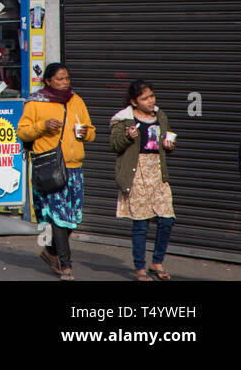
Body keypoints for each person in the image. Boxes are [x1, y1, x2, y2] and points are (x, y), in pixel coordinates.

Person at [19, 62, 95, 280]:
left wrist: (84, 133)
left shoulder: (76, 100)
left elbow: (91, 132)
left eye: (67, 79)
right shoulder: (35, 102)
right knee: (59, 217)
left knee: (73, 217)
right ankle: (66, 264)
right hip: (50, 166)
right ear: (48, 81)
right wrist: (43, 126)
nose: (64, 83)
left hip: (74, 168)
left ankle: (50, 252)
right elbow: (22, 133)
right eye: (59, 79)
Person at [111, 80, 176, 280]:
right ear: (134, 101)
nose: (150, 101)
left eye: (151, 96)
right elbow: (115, 145)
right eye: (144, 98)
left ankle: (157, 261)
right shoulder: (124, 120)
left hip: (157, 172)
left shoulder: (160, 116)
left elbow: (166, 140)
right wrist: (128, 137)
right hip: (136, 173)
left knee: (166, 220)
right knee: (141, 224)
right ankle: (140, 267)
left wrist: (168, 145)